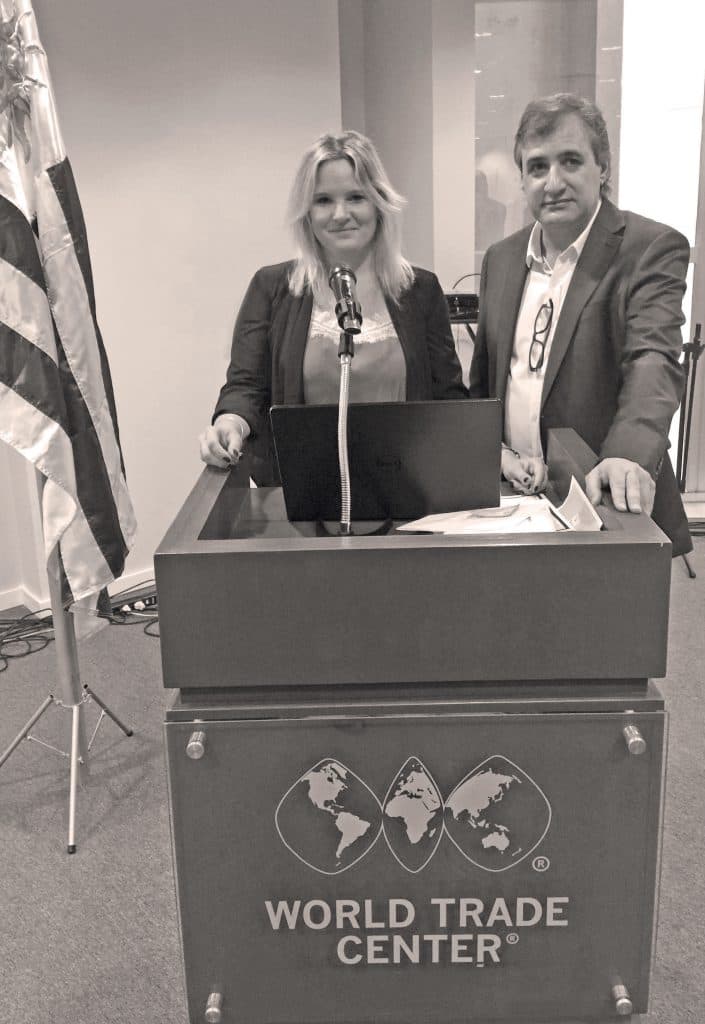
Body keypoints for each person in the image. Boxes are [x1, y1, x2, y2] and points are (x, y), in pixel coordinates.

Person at [469, 92, 692, 556]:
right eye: (537, 167)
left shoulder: (649, 248)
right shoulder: (501, 259)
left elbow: (652, 361)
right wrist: (491, 453)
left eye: (570, 161)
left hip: (604, 507)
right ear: (523, 179)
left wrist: (627, 454)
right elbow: (486, 383)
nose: (553, 183)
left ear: (603, 167)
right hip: (513, 505)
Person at [200, 130, 466, 484]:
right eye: (323, 200)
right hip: (302, 493)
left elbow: (449, 397)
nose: (340, 214)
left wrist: (494, 455)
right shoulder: (271, 288)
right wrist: (230, 422)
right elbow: (246, 386)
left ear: (378, 203)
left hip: (407, 489)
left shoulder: (421, 290)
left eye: (356, 197)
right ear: (306, 213)